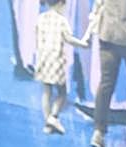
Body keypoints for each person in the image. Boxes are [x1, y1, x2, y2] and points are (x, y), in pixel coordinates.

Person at [86, 0, 126, 147]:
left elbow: (98, 6)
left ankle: (98, 132)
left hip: (106, 34)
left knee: (106, 84)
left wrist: (91, 29)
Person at [34, 0, 90, 135]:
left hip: (43, 60)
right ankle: (53, 117)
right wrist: (83, 44)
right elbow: (69, 39)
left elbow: (37, 41)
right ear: (61, 4)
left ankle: (47, 124)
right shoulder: (62, 21)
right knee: (62, 94)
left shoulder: (40, 19)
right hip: (56, 62)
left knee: (46, 93)